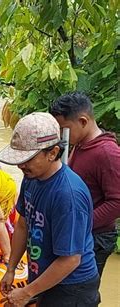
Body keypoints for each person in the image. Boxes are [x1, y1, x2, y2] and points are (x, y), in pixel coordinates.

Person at [0, 112, 99, 307]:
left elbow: (70, 260)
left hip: (72, 287)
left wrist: (27, 292)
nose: (20, 165)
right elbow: (22, 224)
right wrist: (11, 269)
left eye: (27, 158)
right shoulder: (31, 177)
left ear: (52, 153)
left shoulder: (68, 195)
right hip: (43, 277)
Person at [49, 92, 120, 278]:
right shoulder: (80, 144)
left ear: (82, 121)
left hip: (95, 236)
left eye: (65, 129)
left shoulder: (107, 153)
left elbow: (117, 201)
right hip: (77, 231)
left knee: (83, 291)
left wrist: (81, 223)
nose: (62, 135)